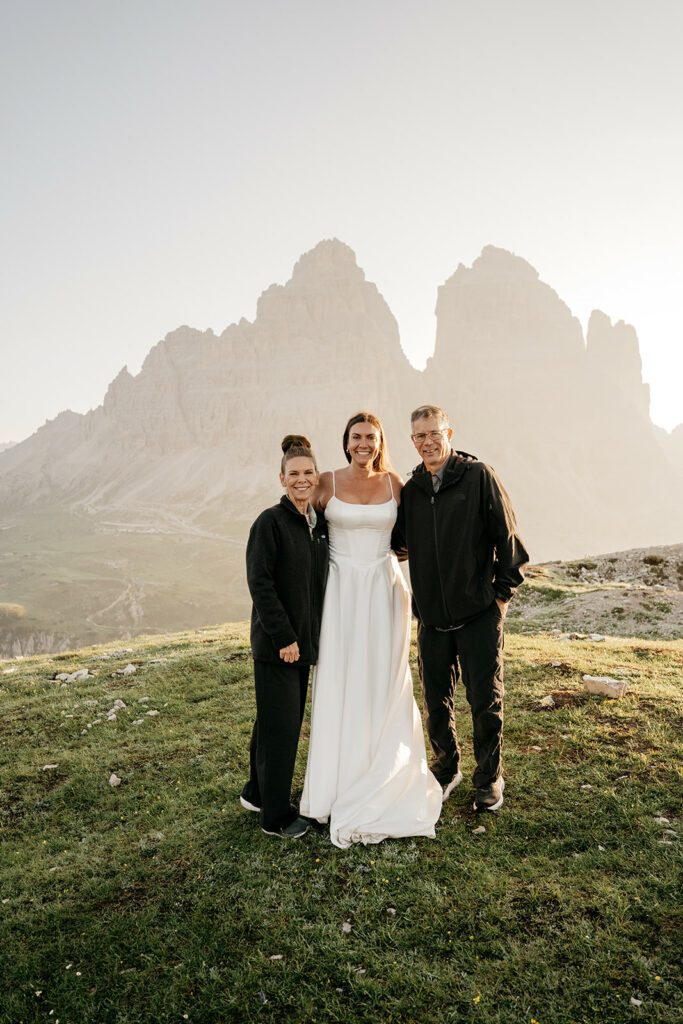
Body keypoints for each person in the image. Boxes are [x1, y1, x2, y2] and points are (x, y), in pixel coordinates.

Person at [300, 412, 442, 848]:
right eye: (357, 437)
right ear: (346, 442)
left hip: (383, 590)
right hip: (340, 592)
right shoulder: (325, 482)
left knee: (382, 681)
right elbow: (301, 527)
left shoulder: (394, 484)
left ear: (380, 443)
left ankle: (382, 774)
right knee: (340, 678)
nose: (364, 444)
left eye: (371, 438)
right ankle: (332, 787)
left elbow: (414, 536)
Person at [393, 405, 529, 812]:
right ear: (412, 441)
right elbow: (398, 542)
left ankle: (489, 778)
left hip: (477, 616)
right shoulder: (413, 489)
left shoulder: (477, 476)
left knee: (485, 702)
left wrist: (499, 601)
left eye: (434, 433)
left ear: (449, 432)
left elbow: (509, 543)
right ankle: (446, 766)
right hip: (432, 621)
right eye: (419, 436)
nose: (427, 442)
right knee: (436, 704)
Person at [240, 435, 329, 838]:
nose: (302, 479)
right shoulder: (270, 523)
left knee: (273, 720)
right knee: (282, 728)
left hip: (303, 645)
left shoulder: (314, 523)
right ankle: (274, 817)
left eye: (308, 472)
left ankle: (257, 792)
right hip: (280, 646)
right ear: (281, 479)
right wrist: (284, 637)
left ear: (316, 476)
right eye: (294, 474)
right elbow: (261, 584)